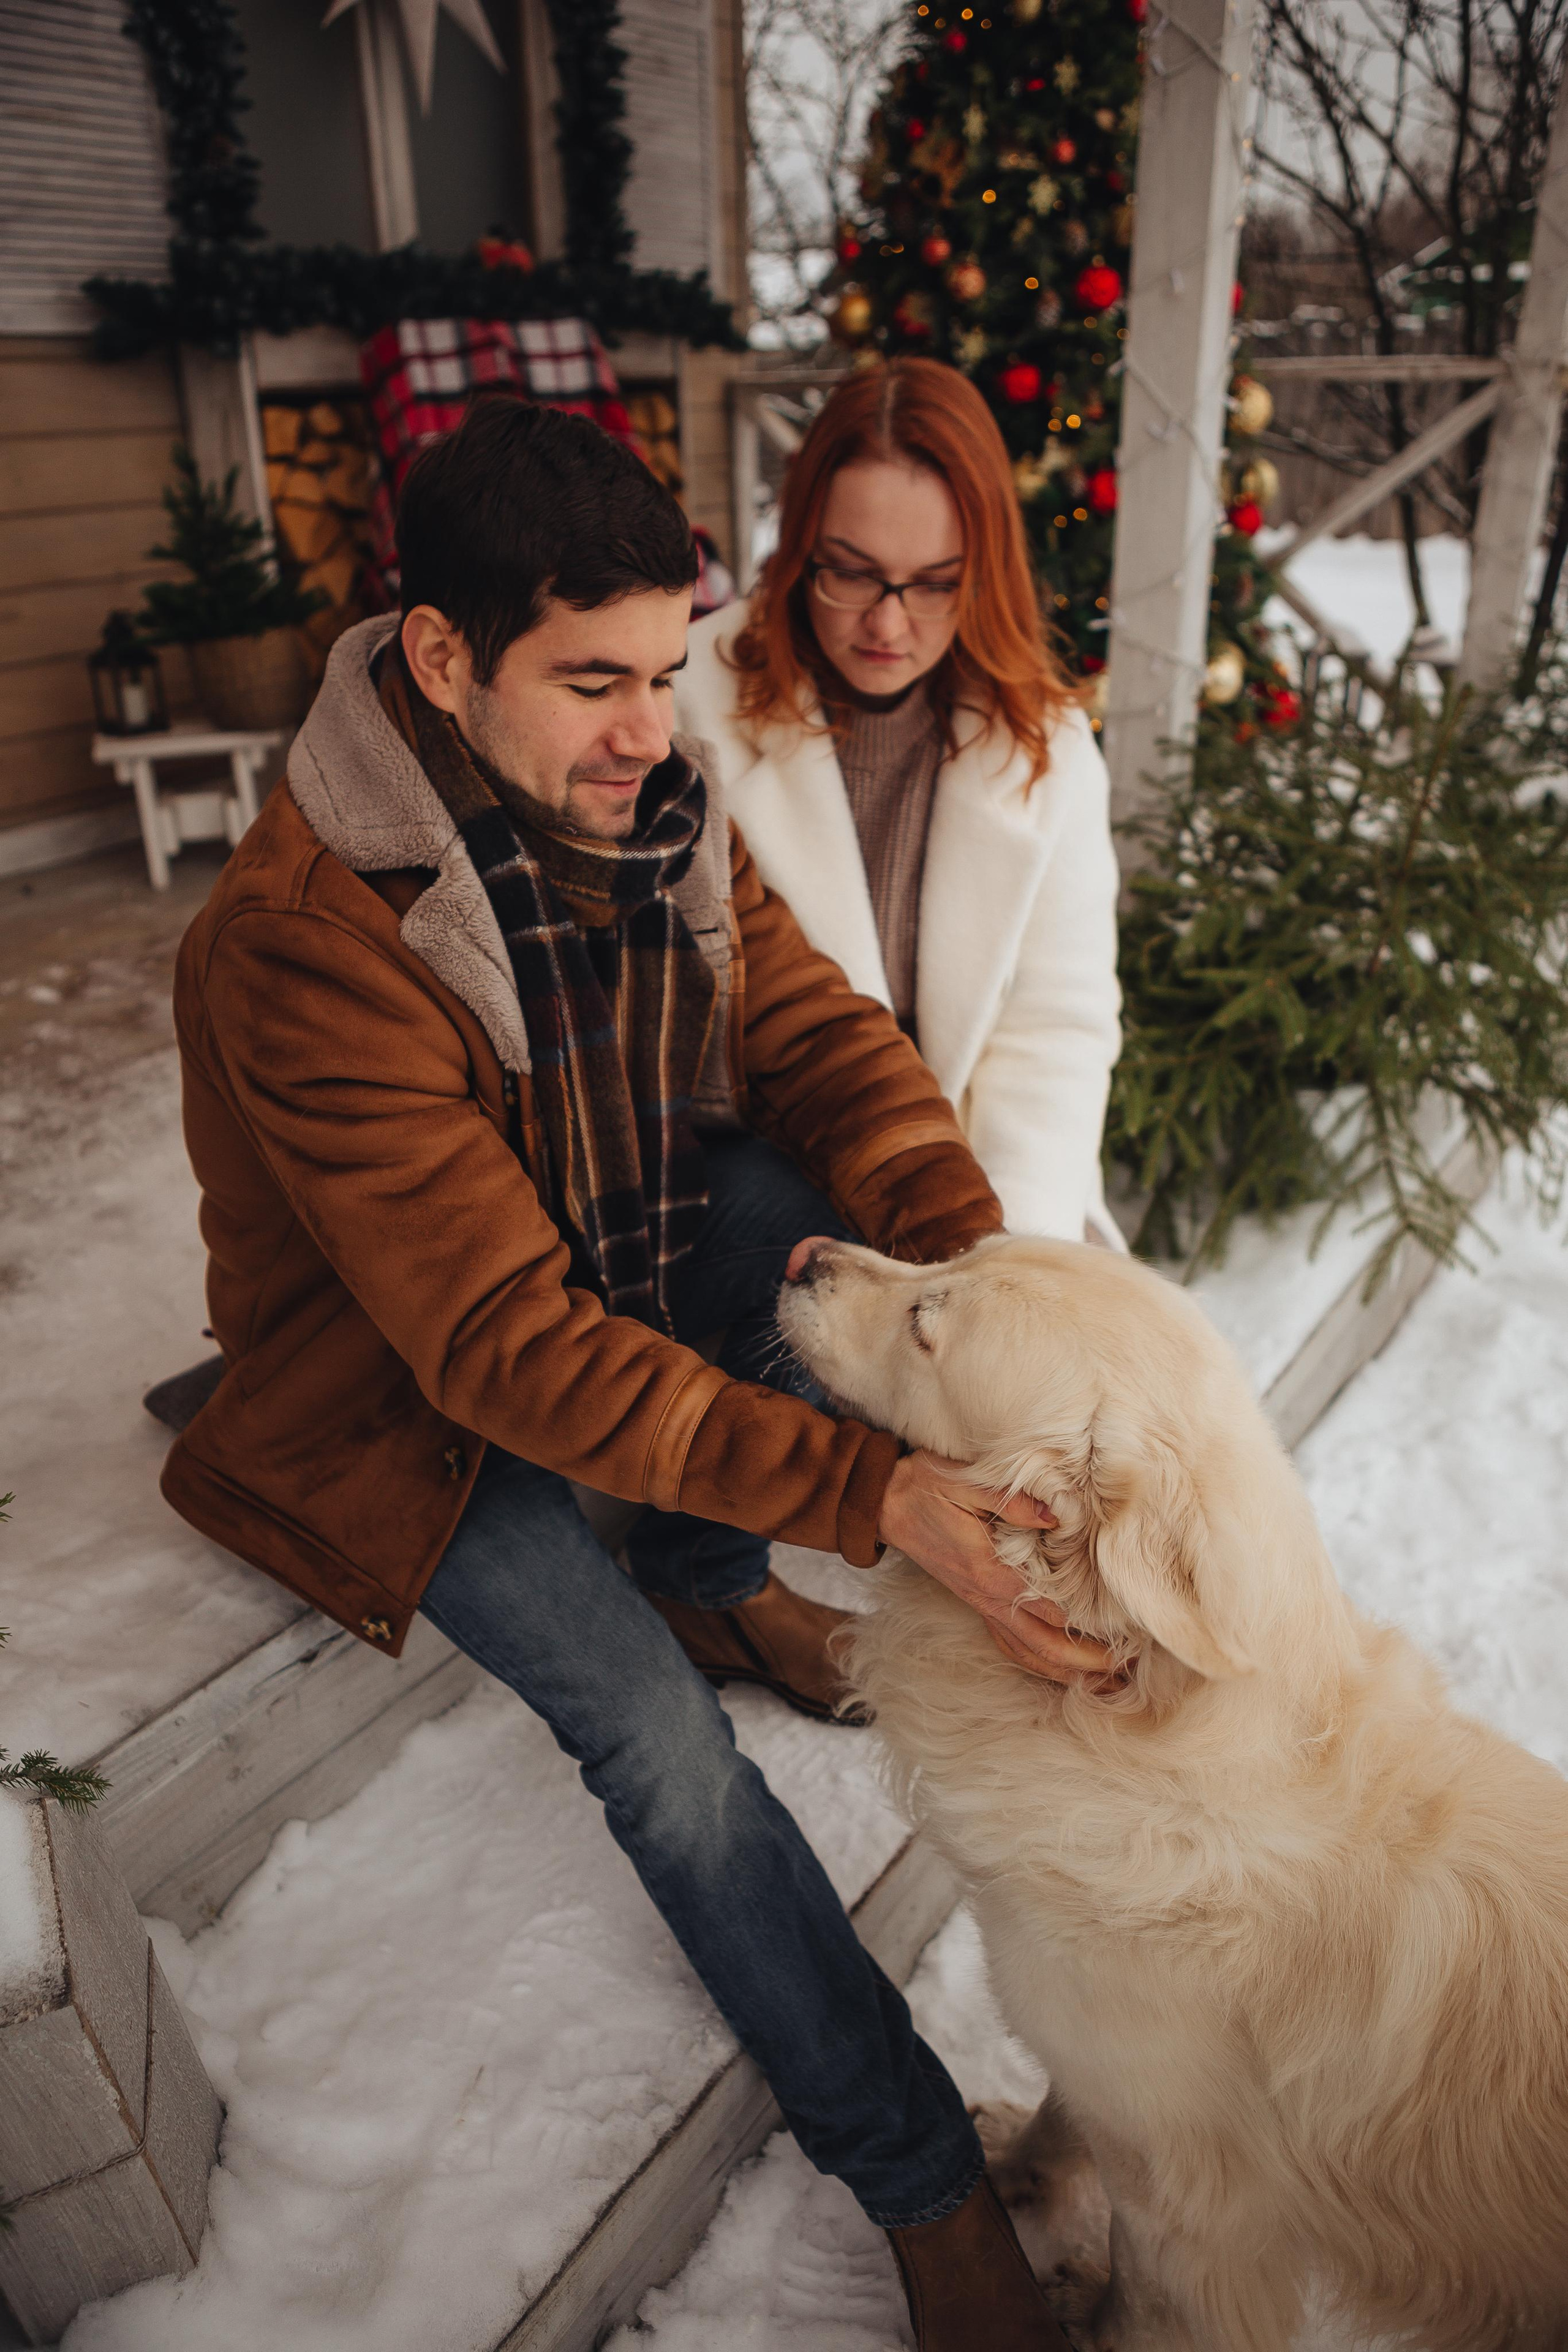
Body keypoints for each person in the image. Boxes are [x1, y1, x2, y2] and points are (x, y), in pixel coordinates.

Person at [160, 396, 1116, 2350]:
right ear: (441, 659)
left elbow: (820, 1032)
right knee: (664, 1759)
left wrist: (977, 1259)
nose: (648, 731)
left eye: (666, 672)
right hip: (402, 1406)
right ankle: (924, 2186)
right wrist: (880, 1496)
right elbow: (506, 1350)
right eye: (591, 682)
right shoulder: (304, 942)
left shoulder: (646, 810)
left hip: (594, 1263)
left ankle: (707, 1579)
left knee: (789, 1196)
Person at [674, 356, 1123, 1247]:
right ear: (801, 545)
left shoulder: (1049, 745)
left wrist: (1004, 1251)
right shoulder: (687, 698)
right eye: (851, 572)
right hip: (761, 1175)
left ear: (984, 571)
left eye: (933, 584)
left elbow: (1057, 1025)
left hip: (977, 1191)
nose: (886, 625)